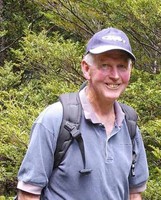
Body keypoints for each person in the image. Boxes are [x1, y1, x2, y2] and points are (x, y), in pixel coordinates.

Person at [16, 27, 149, 200]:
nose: (115, 75)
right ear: (86, 69)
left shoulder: (129, 125)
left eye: (122, 66)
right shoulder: (55, 119)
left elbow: (134, 193)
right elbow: (28, 193)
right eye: (105, 65)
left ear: (130, 72)